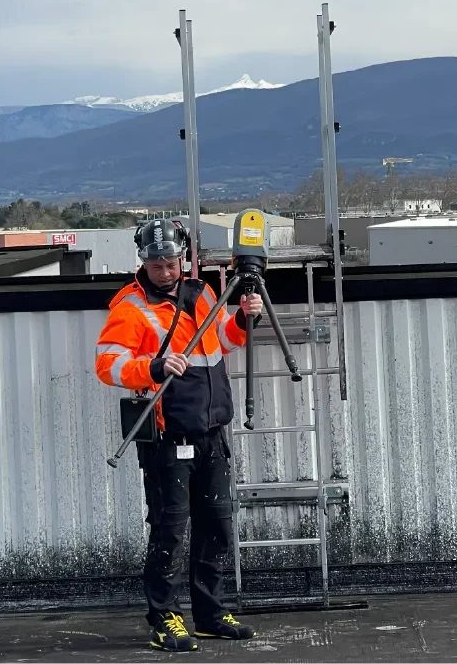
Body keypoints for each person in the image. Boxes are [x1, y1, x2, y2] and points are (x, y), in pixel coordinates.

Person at [95, 218, 262, 652]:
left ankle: (208, 613)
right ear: (144, 264)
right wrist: (154, 367)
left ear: (182, 258)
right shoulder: (130, 307)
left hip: (212, 431)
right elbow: (107, 365)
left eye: (170, 264)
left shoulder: (203, 292)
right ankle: (165, 617)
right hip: (168, 438)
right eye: (156, 266)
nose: (165, 272)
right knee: (170, 531)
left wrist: (244, 319)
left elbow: (222, 341)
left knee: (217, 527)